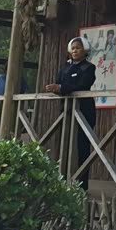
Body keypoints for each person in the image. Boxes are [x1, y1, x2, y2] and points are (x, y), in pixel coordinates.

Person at [45, 37, 96, 191]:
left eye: (78, 48)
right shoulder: (64, 67)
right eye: (73, 48)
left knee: (83, 147)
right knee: (64, 144)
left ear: (85, 51)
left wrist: (62, 88)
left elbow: (83, 84)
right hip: (66, 111)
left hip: (84, 110)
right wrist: (57, 87)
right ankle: (62, 181)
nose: (75, 51)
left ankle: (82, 185)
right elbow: (58, 82)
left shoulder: (89, 67)